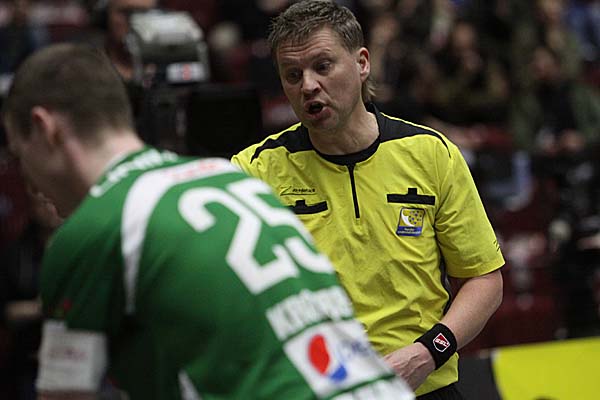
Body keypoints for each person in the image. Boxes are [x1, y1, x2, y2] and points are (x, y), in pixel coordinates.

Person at [2, 43, 414, 400]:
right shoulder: (229, 178)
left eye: (20, 155)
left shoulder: (92, 229)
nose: (29, 181)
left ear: (45, 128)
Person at [231, 1, 504, 398]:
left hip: (423, 385)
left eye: (323, 66)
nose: (308, 85)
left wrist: (427, 353)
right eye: (292, 74)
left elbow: (483, 279)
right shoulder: (254, 171)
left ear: (362, 63)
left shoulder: (430, 153)